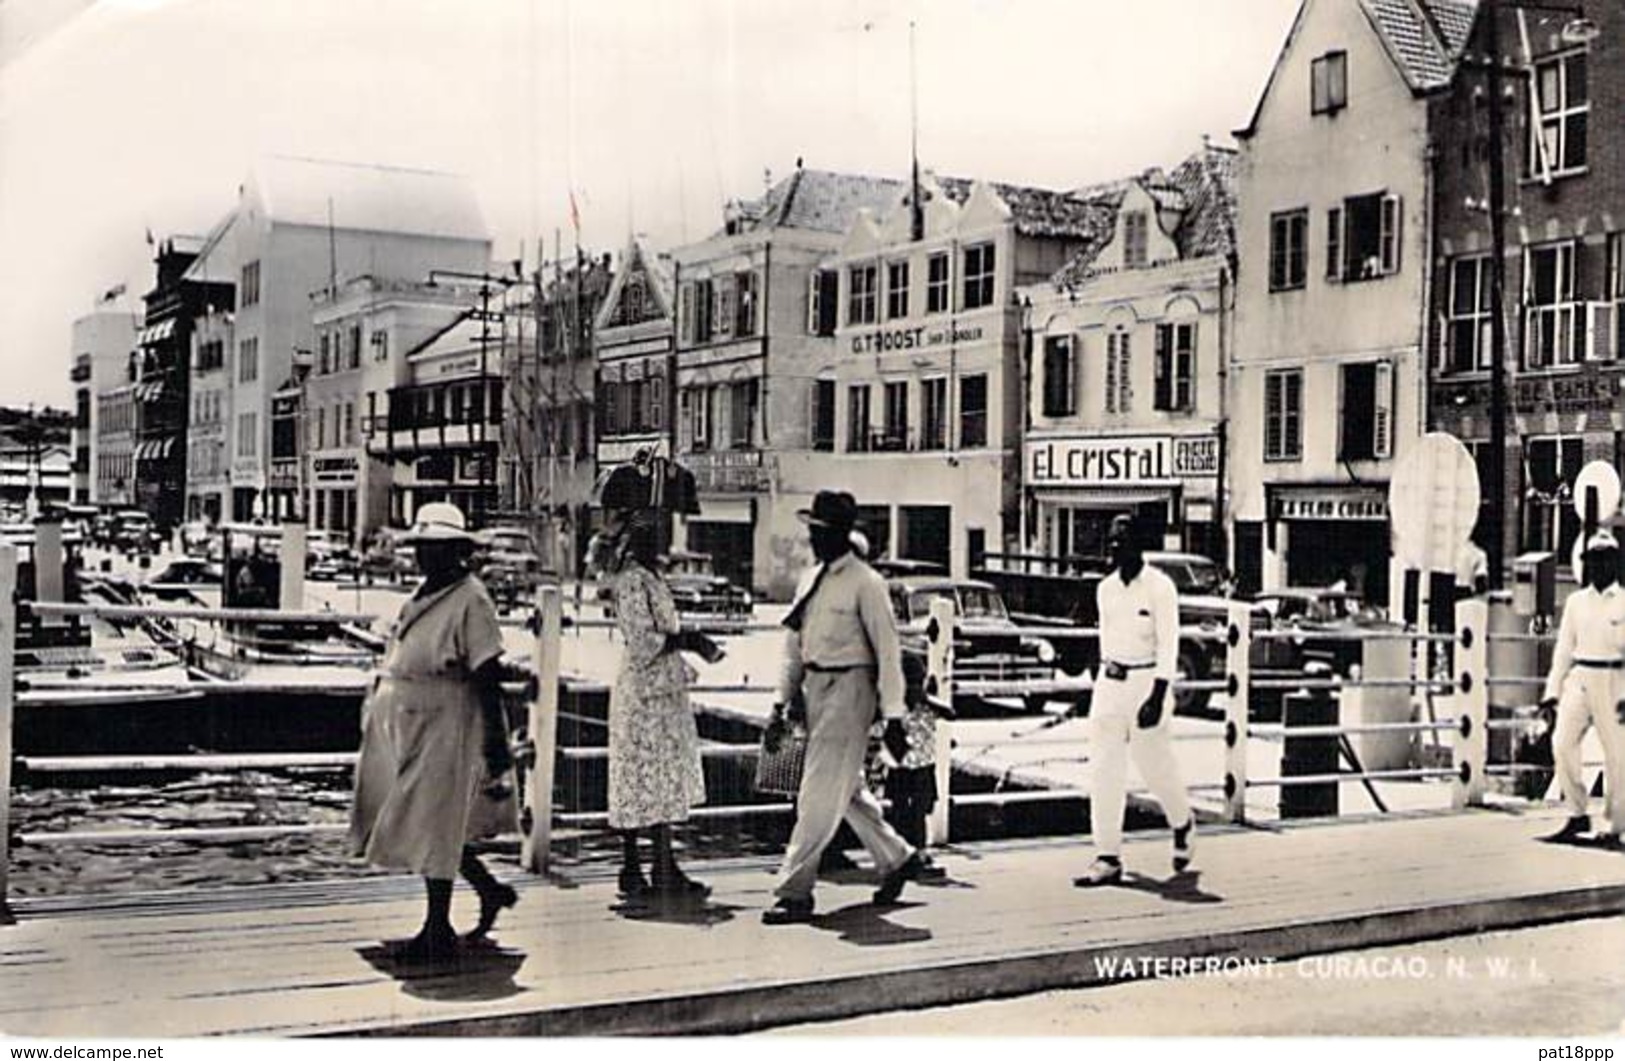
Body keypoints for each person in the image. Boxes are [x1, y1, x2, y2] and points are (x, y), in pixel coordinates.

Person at [349, 502, 518, 962]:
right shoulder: (425, 593)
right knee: (425, 816)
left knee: (436, 817)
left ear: (458, 552)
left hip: (449, 718)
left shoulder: (471, 598)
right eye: (422, 547)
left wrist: (496, 743)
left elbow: (487, 672)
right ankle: (488, 890)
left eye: (436, 548)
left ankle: (437, 926)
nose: (426, 555)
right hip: (412, 720)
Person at [762, 490, 920, 925]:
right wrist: (780, 704)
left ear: (841, 534)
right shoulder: (810, 579)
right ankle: (898, 857)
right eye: (812, 530)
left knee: (816, 793)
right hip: (815, 689)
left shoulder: (867, 584)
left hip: (851, 690)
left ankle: (794, 890)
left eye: (822, 531)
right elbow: (794, 648)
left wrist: (893, 717)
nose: (815, 539)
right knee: (845, 790)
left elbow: (888, 654)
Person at [600, 508, 718, 899]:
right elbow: (642, 639)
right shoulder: (634, 579)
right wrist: (691, 641)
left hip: (663, 690)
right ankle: (637, 865)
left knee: (663, 776)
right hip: (644, 693)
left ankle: (661, 864)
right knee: (640, 775)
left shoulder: (650, 577)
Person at [1075, 514, 1194, 886]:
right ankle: (1107, 855)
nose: (1114, 546)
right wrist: (1096, 689)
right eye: (1111, 539)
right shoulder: (1105, 589)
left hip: (1147, 683)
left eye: (1122, 539)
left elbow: (1169, 645)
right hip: (1110, 683)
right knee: (1104, 768)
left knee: (1153, 765)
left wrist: (1158, 696)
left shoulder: (1160, 588)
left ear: (1140, 544)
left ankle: (1182, 821)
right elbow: (1104, 641)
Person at [1538, 530, 1625, 845]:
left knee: (1616, 756)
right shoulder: (1576, 603)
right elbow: (1562, 651)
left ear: (1615, 563)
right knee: (1562, 743)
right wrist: (1552, 693)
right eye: (1593, 560)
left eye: (1604, 560)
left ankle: (1614, 827)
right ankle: (1576, 813)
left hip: (1615, 681)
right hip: (1580, 676)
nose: (1599, 566)